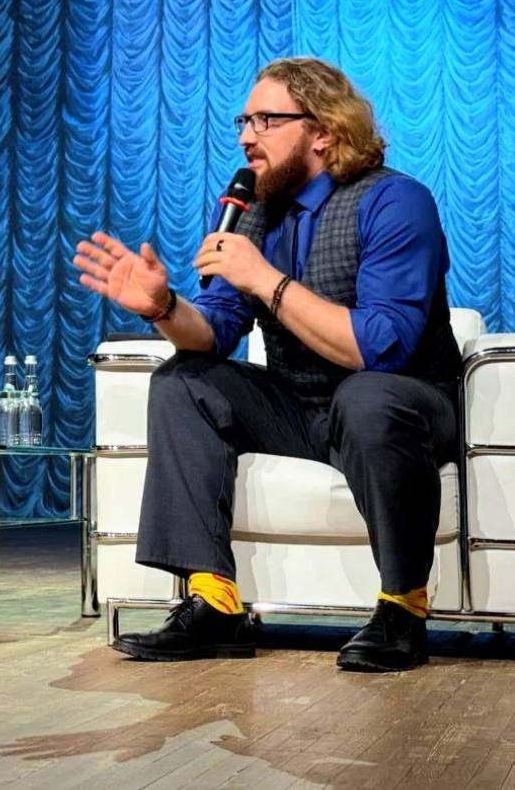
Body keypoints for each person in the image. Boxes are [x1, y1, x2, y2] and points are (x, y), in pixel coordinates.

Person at [74, 58, 460, 672]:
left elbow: (382, 347)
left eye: (266, 121)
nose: (247, 137)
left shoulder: (395, 201)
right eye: (244, 121)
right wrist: (164, 307)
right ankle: (215, 605)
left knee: (367, 395)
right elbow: (215, 330)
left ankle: (402, 610)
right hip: (299, 406)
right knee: (183, 381)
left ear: (323, 130)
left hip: (404, 403)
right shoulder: (251, 212)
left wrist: (264, 278)